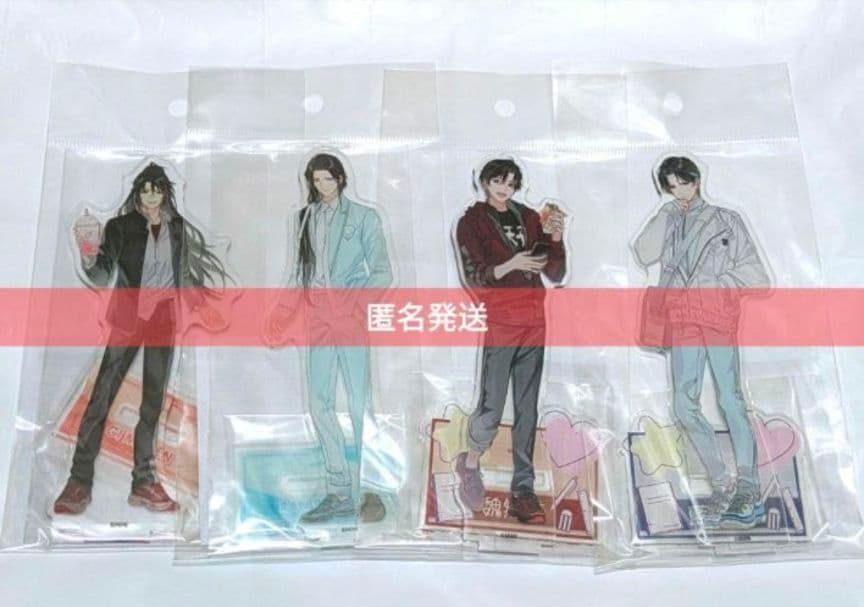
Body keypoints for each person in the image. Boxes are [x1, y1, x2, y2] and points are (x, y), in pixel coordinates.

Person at [53, 162, 227, 515]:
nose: (150, 196)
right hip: (128, 320)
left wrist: (204, 309)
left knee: (152, 403)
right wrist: (88, 252)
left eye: (157, 189)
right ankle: (78, 480)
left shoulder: (177, 228)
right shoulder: (121, 226)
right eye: (145, 189)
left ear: (165, 192)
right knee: (102, 396)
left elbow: (185, 275)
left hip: (164, 319)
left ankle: (144, 482)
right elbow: (101, 275)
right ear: (137, 192)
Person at [633, 155, 770, 529]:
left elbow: (757, 277)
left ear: (696, 181)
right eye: (670, 186)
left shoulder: (726, 220)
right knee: (683, 403)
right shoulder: (670, 220)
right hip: (681, 319)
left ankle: (748, 486)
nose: (678, 192)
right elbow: (643, 252)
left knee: (730, 399)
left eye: (683, 183)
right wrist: (664, 214)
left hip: (717, 317)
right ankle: (722, 482)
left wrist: (717, 287)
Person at [266, 152, 392, 524]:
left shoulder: (364, 217)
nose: (322, 186)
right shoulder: (303, 218)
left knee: (359, 402)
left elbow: (382, 272)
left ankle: (370, 488)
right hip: (317, 317)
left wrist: (356, 304)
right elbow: (298, 273)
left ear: (340, 179)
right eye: (316, 180)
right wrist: (281, 315)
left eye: (328, 179)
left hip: (350, 318)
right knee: (319, 403)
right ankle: (338, 490)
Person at [453, 158, 566, 524]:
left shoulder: (529, 217)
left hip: (534, 319)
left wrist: (555, 237)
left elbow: (556, 271)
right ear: (485, 182)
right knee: (493, 401)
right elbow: (475, 277)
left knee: (527, 408)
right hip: (501, 320)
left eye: (511, 183)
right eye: (499, 181)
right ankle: (471, 463)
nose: (505, 189)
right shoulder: (471, 222)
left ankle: (523, 489)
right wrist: (512, 264)